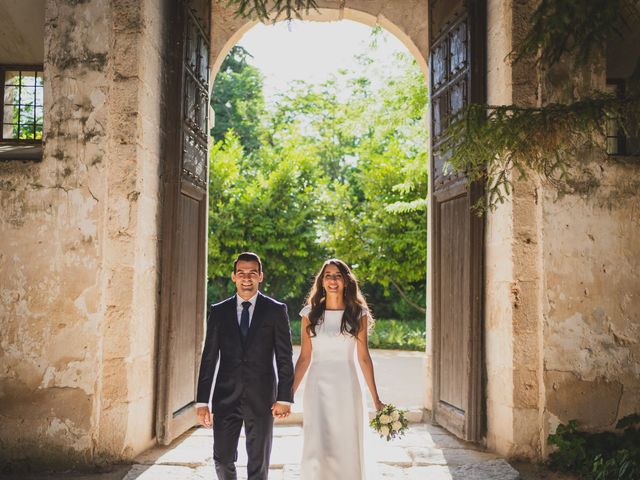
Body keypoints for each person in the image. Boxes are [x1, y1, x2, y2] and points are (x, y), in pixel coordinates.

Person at [195, 252, 294, 480]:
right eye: (241, 273)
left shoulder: (276, 310)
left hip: (262, 399)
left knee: (258, 463)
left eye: (252, 273)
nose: (246, 278)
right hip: (225, 397)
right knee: (222, 459)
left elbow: (284, 357)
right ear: (233, 277)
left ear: (260, 276)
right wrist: (202, 401)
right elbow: (209, 358)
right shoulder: (219, 312)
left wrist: (284, 397)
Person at [293, 258, 384, 480]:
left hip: (347, 386)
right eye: (328, 276)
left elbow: (364, 358)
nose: (333, 280)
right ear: (321, 282)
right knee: (318, 442)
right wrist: (287, 394)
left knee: (346, 442)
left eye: (337, 275)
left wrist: (376, 399)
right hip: (317, 387)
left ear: (345, 281)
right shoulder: (309, 313)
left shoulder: (358, 313)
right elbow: (304, 358)